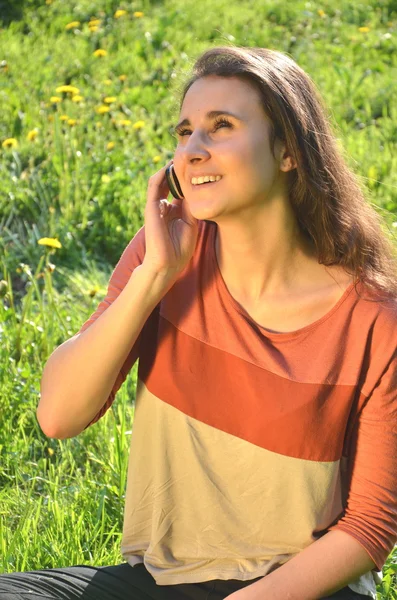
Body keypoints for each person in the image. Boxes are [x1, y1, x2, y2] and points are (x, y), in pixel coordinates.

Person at [1, 45, 396, 600]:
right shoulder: (164, 256)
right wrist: (155, 276)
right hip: (160, 581)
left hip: (299, 590)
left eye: (221, 127)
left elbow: (370, 527)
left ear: (289, 150)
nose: (192, 150)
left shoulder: (375, 319)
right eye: (184, 132)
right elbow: (59, 416)